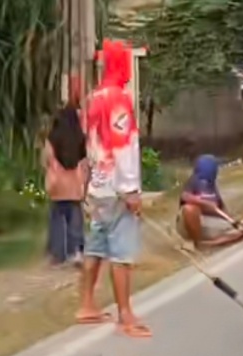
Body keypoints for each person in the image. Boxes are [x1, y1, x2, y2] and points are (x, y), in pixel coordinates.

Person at [76, 39, 150, 338]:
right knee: (122, 254)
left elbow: (92, 145)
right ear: (120, 65)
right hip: (117, 190)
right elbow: (122, 147)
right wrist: (131, 189)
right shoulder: (118, 99)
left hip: (98, 187)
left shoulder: (95, 98)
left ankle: (87, 305)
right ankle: (126, 314)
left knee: (96, 247)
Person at [43, 107, 88, 266]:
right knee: (75, 219)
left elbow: (47, 159)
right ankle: (76, 251)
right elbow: (85, 161)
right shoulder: (80, 138)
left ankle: (58, 254)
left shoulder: (53, 137)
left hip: (58, 186)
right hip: (75, 185)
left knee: (56, 219)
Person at [176, 154, 243, 249]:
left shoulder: (212, 186)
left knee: (240, 232)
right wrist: (205, 204)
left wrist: (235, 222)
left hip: (208, 224)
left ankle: (209, 244)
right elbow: (185, 196)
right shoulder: (193, 181)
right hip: (189, 223)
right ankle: (196, 242)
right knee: (190, 209)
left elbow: (222, 210)